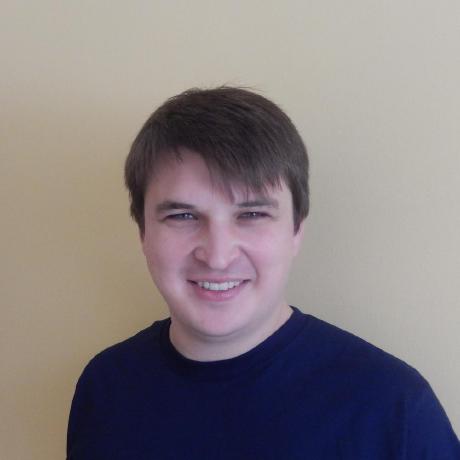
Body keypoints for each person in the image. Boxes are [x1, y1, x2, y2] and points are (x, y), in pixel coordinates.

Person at [67, 87, 460, 459]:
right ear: (143, 232)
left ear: (296, 230)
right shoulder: (104, 388)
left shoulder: (395, 409)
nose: (217, 256)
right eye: (183, 216)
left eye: (251, 214)